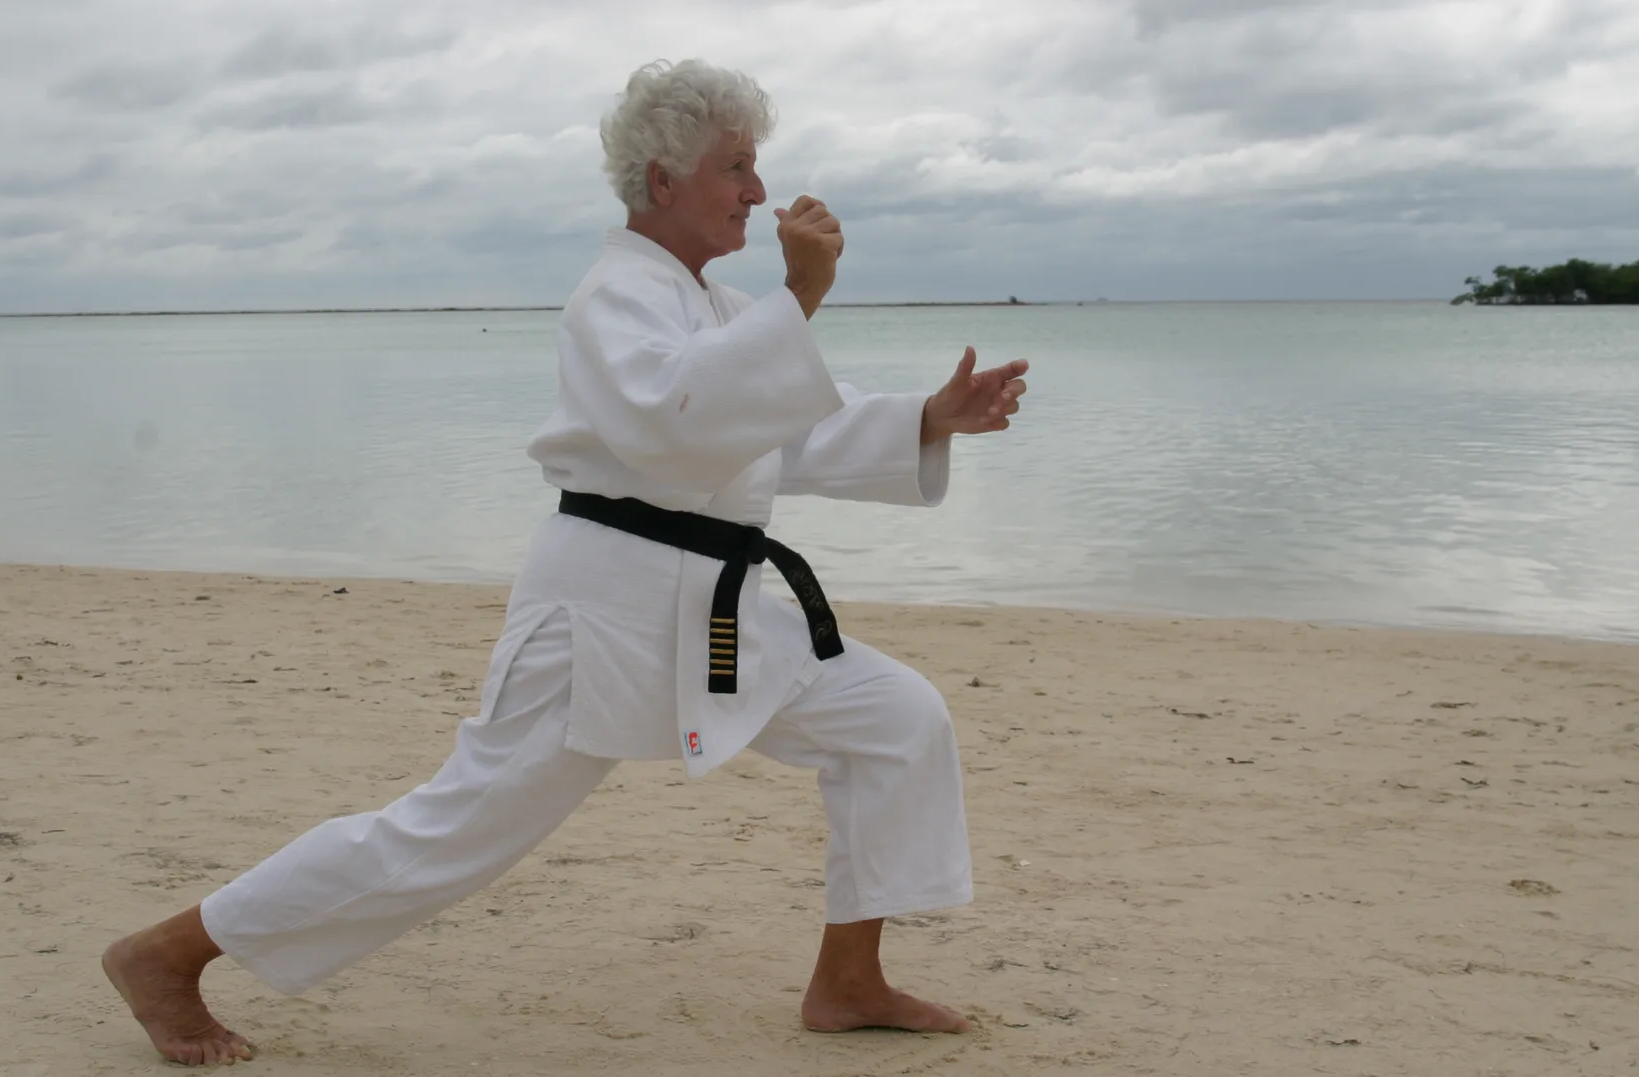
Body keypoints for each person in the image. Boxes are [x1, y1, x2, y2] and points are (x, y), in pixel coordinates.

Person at [101, 57, 1029, 1067]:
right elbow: (677, 418)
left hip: (718, 608)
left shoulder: (717, 307)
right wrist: (800, 295)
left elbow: (774, 433)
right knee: (453, 831)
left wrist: (928, 417)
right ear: (663, 180)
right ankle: (167, 953)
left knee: (895, 719)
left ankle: (848, 980)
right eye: (736, 168)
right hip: (603, 612)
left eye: (754, 167)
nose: (757, 191)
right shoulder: (612, 297)